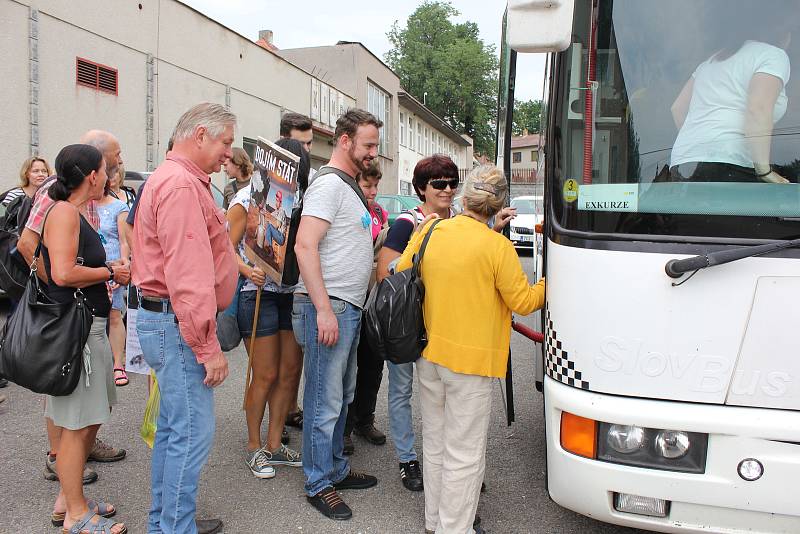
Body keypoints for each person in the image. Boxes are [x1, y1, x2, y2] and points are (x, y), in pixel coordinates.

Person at [397, 164, 545, 534]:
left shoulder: (431, 228)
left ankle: (434, 520)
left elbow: (401, 268)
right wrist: (549, 282)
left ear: (464, 197)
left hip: (428, 353)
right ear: (497, 206)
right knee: (464, 454)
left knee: (433, 443)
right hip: (472, 362)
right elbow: (524, 301)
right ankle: (454, 528)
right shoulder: (497, 246)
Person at [132, 102, 238, 534]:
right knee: (190, 434)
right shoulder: (179, 185)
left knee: (176, 432)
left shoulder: (179, 181)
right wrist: (207, 347)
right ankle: (174, 526)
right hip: (178, 326)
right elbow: (189, 277)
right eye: (225, 142)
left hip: (171, 323)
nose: (228, 154)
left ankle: (168, 522)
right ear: (200, 134)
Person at [17, 130, 127, 487]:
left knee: (87, 409)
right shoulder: (59, 203)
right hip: (72, 315)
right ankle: (61, 464)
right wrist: (55, 285)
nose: (117, 165)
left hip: (90, 311)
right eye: (113, 160)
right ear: (94, 169)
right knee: (68, 400)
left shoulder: (90, 200)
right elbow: (30, 247)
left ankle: (76, 460)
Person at [292, 109, 381, 521]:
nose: (372, 153)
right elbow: (304, 246)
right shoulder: (328, 185)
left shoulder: (347, 186)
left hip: (347, 308)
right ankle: (317, 482)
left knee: (341, 397)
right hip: (330, 308)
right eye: (368, 145)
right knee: (323, 400)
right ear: (345, 141)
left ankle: (335, 470)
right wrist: (324, 308)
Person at [42, 143, 130, 534]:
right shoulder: (63, 213)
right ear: (91, 175)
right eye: (104, 170)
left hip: (90, 326)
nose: (108, 177)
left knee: (91, 417)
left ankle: (69, 500)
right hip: (78, 331)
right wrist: (109, 271)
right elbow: (62, 272)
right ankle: (76, 515)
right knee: (77, 425)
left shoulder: (72, 211)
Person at [373, 154, 461, 492]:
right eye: (439, 184)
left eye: (453, 182)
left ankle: (451, 463)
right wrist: (418, 250)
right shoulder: (408, 223)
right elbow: (385, 273)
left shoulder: (459, 221)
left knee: (446, 395)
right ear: (421, 189)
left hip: (445, 323)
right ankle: (408, 458)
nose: (448, 189)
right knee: (401, 390)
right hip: (409, 322)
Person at [227, 138, 308, 480]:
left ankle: (275, 443)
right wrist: (246, 269)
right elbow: (222, 248)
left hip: (291, 292)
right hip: (255, 291)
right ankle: (253, 445)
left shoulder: (302, 199)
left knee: (290, 373)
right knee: (265, 374)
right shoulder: (245, 199)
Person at [670, 8, 793, 184]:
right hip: (730, 162)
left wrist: (701, 144)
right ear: (783, 35)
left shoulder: (709, 63)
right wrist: (765, 172)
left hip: (685, 162)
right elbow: (758, 110)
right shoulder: (773, 56)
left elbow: (677, 109)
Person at [343, 162, 388, 455]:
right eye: (367, 186)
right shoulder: (347, 208)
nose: (372, 192)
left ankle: (364, 418)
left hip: (374, 299)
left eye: (375, 186)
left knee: (372, 364)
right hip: (350, 297)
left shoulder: (380, 213)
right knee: (347, 367)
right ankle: (344, 427)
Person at [280, 111, 315, 431]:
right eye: (300, 144)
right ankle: (268, 426)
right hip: (268, 283)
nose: (306, 150)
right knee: (269, 366)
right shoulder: (267, 178)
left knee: (294, 361)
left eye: (309, 143)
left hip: (299, 281)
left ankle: (289, 410)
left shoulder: (313, 178)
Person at [97, 179, 131, 387]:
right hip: (91, 268)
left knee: (114, 314)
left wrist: (124, 263)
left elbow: (124, 240)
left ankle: (118, 364)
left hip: (113, 268)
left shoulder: (118, 206)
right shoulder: (83, 205)